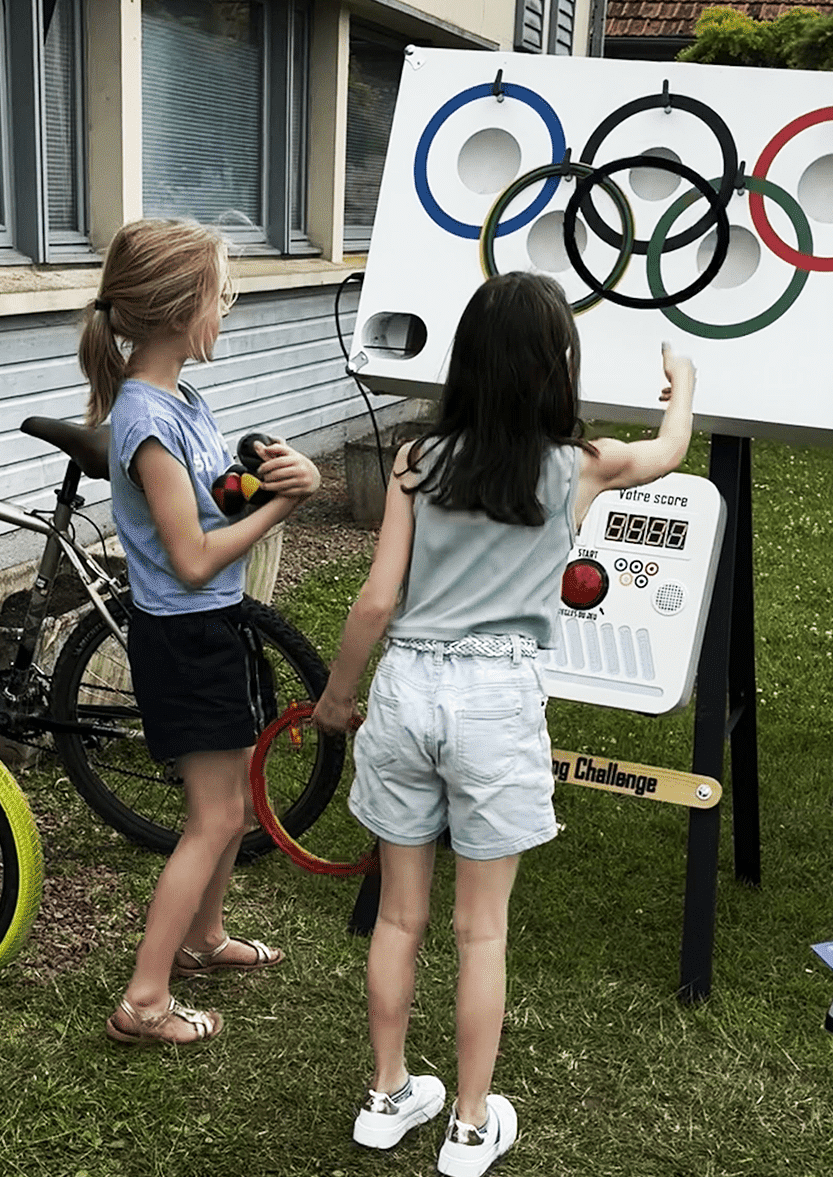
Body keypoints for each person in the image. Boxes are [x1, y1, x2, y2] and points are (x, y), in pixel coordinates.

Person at [311, 271, 696, 1174]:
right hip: (495, 699)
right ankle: (471, 1125)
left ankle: (386, 1094)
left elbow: (374, 602)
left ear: (467, 363)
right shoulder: (582, 464)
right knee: (480, 930)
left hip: (405, 688)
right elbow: (672, 448)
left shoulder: (414, 461)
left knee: (398, 920)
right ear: (556, 366)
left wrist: (335, 698)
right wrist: (682, 382)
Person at [78, 218, 321, 1045]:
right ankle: (143, 1000)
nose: (229, 308)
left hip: (210, 626)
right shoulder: (146, 418)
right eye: (222, 295)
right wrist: (288, 503)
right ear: (183, 308)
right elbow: (189, 557)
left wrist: (258, 477)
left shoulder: (181, 398)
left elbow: (211, 499)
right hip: (187, 635)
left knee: (234, 806)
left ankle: (205, 939)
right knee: (215, 817)